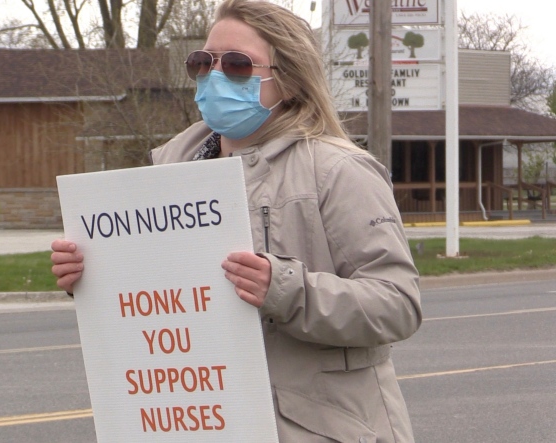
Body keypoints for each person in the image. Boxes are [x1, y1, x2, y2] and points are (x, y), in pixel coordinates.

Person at [51, 0, 423, 441]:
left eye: (237, 64)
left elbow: (397, 304)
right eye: (202, 63)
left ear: (287, 79)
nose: (214, 75)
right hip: (209, 425)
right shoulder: (166, 175)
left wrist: (285, 289)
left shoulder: (339, 171)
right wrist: (97, 278)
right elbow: (166, 304)